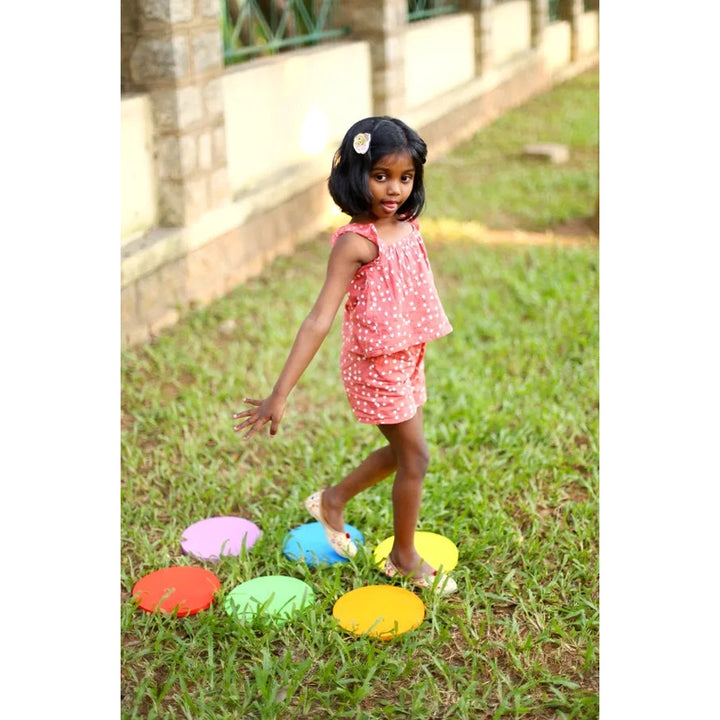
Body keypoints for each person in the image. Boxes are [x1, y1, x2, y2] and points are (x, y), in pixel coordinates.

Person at [232, 116, 457, 596]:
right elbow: (319, 318)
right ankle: (403, 557)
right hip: (375, 366)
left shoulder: (406, 224)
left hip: (406, 356)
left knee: (403, 453)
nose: (394, 189)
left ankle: (332, 500)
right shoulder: (357, 242)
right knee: (416, 457)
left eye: (405, 177)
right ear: (357, 175)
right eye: (380, 176)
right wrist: (279, 393)